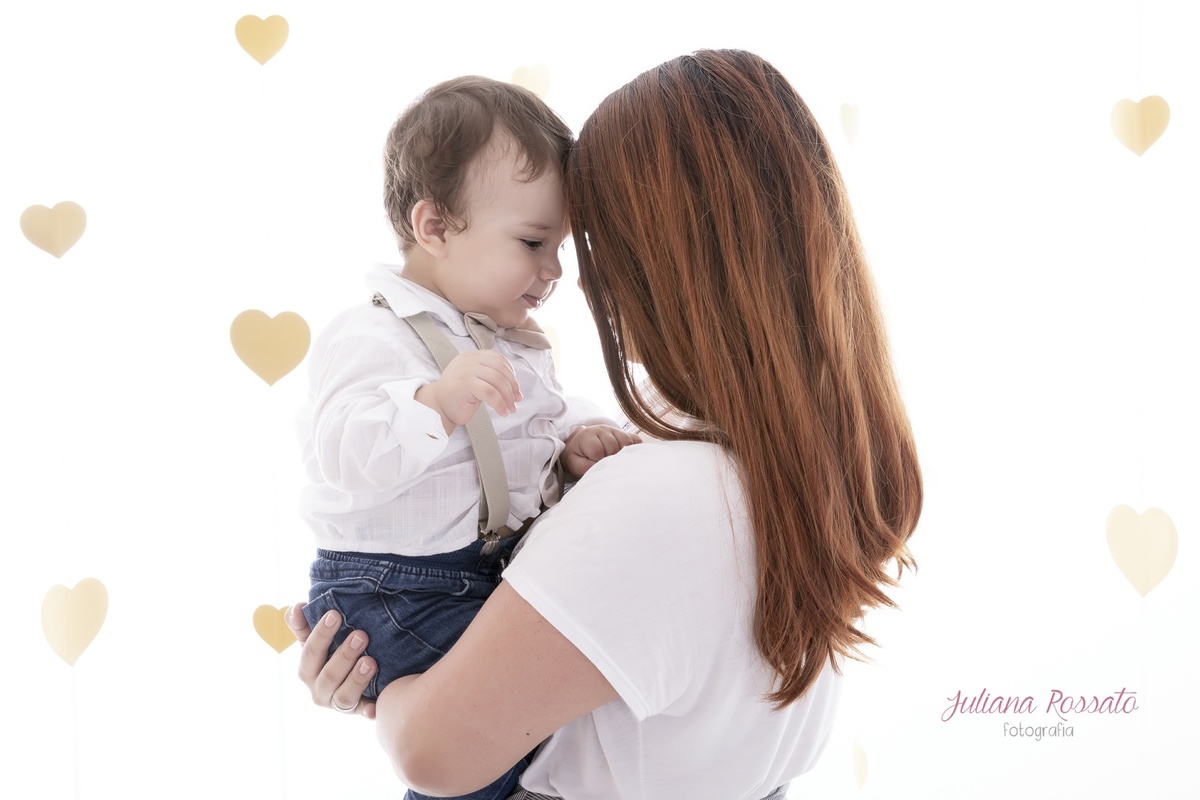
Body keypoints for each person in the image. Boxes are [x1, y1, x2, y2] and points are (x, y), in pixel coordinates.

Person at [288, 49, 922, 799]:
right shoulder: (801, 466)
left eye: (581, 243)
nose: (567, 274)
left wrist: (386, 695)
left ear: (658, 257)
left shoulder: (664, 492)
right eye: (541, 243)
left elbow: (433, 752)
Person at [295, 75, 639, 800]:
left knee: (513, 727)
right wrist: (431, 403)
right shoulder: (373, 333)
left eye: (560, 247)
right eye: (533, 242)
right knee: (484, 744)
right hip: (396, 586)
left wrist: (574, 439)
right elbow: (340, 451)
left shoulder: (508, 340)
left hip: (469, 574)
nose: (554, 272)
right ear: (436, 228)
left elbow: (534, 419)